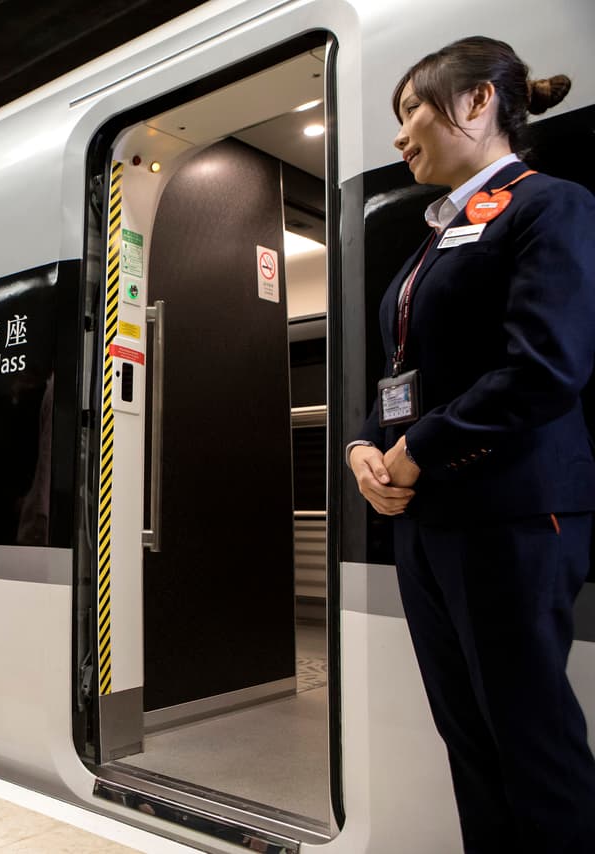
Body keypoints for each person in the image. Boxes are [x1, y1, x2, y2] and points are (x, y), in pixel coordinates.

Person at [347, 37, 595, 852]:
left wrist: (419, 450)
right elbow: (407, 375)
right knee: (471, 745)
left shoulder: (545, 205)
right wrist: (363, 449)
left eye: (414, 107)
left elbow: (545, 365)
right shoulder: (437, 236)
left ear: (480, 102)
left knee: (531, 747)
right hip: (430, 522)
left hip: (511, 514)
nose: (400, 133)